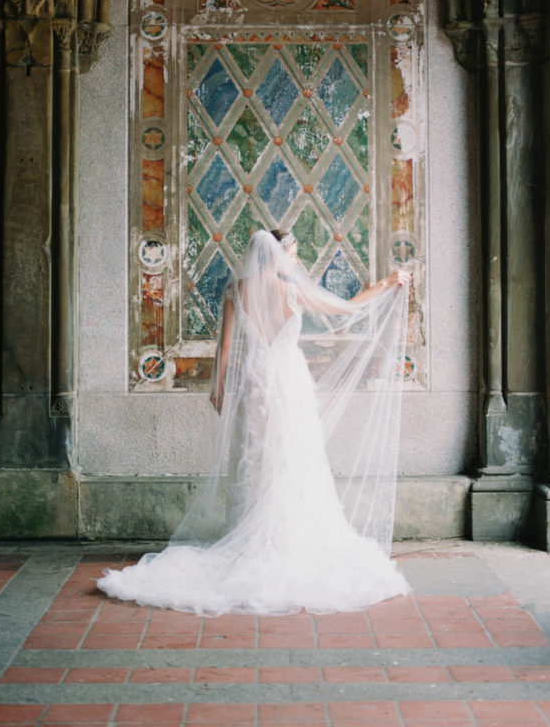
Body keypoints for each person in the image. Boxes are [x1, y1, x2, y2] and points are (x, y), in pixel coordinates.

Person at [98, 228, 411, 616]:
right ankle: (290, 538)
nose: (295, 262)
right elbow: (344, 308)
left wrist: (218, 387)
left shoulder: (235, 290)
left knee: (257, 459)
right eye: (293, 254)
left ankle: (252, 533)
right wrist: (386, 283)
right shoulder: (292, 290)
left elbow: (225, 346)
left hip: (256, 381)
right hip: (289, 382)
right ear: (279, 256)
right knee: (293, 459)